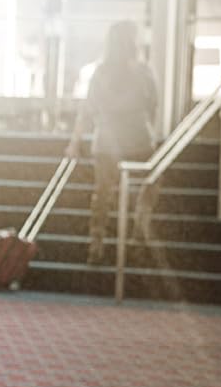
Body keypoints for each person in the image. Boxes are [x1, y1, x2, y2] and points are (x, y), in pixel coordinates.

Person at [66, 20, 159, 265]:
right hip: (138, 139)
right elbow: (153, 105)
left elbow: (87, 110)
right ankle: (138, 236)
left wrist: (75, 142)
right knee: (147, 186)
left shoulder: (100, 73)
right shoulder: (143, 71)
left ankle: (96, 245)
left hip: (106, 141)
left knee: (103, 193)